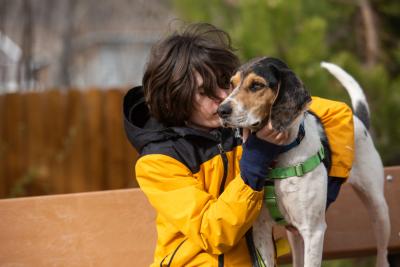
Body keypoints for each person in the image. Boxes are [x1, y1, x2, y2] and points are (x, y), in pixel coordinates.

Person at [123, 23, 354, 266]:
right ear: (174, 100)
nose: (225, 98)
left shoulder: (246, 120)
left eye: (226, 83)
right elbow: (214, 232)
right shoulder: (158, 162)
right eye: (204, 92)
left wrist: (330, 186)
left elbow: (335, 114)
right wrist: (254, 161)